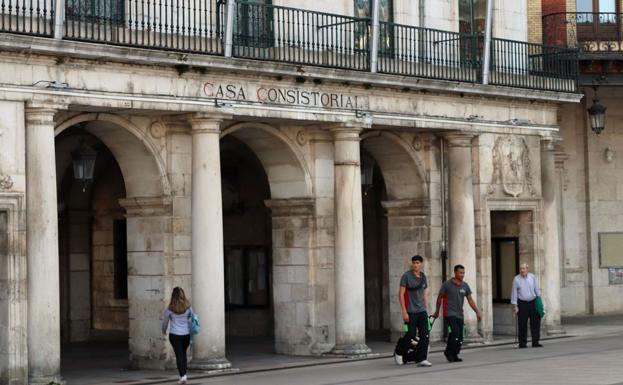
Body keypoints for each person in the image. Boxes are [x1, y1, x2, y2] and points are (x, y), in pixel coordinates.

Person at [433, 264, 482, 363]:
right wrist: (437, 311)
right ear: (455, 272)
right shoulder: (447, 284)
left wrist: (477, 311)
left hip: (460, 314)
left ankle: (454, 354)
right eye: (460, 273)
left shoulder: (465, 285)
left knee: (460, 336)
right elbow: (439, 298)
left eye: (463, 273)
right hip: (449, 313)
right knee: (455, 332)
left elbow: (470, 299)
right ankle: (448, 352)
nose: (462, 275)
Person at [394, 255, 432, 367]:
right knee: (410, 335)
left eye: (418, 263)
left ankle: (422, 359)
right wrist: (404, 312)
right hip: (410, 311)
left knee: (425, 335)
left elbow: (424, 295)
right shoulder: (406, 276)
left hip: (422, 311)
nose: (415, 265)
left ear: (421, 264)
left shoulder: (423, 277)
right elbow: (401, 294)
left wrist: (427, 310)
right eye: (414, 263)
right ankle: (399, 351)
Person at [162, 287, 194, 384]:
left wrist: (163, 330)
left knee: (179, 355)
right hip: (186, 335)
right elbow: (192, 317)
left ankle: (182, 376)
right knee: (183, 354)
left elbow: (165, 322)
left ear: (173, 296)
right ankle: (184, 375)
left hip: (175, 335)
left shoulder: (170, 309)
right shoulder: (188, 307)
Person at [511, 263, 543, 348]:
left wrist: (539, 302)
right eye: (521, 269)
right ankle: (522, 343)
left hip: (533, 302)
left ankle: (535, 342)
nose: (522, 270)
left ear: (527, 269)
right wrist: (515, 306)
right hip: (522, 303)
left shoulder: (532, 277)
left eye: (524, 269)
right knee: (522, 324)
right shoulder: (516, 279)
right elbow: (514, 293)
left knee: (535, 323)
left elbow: (537, 289)